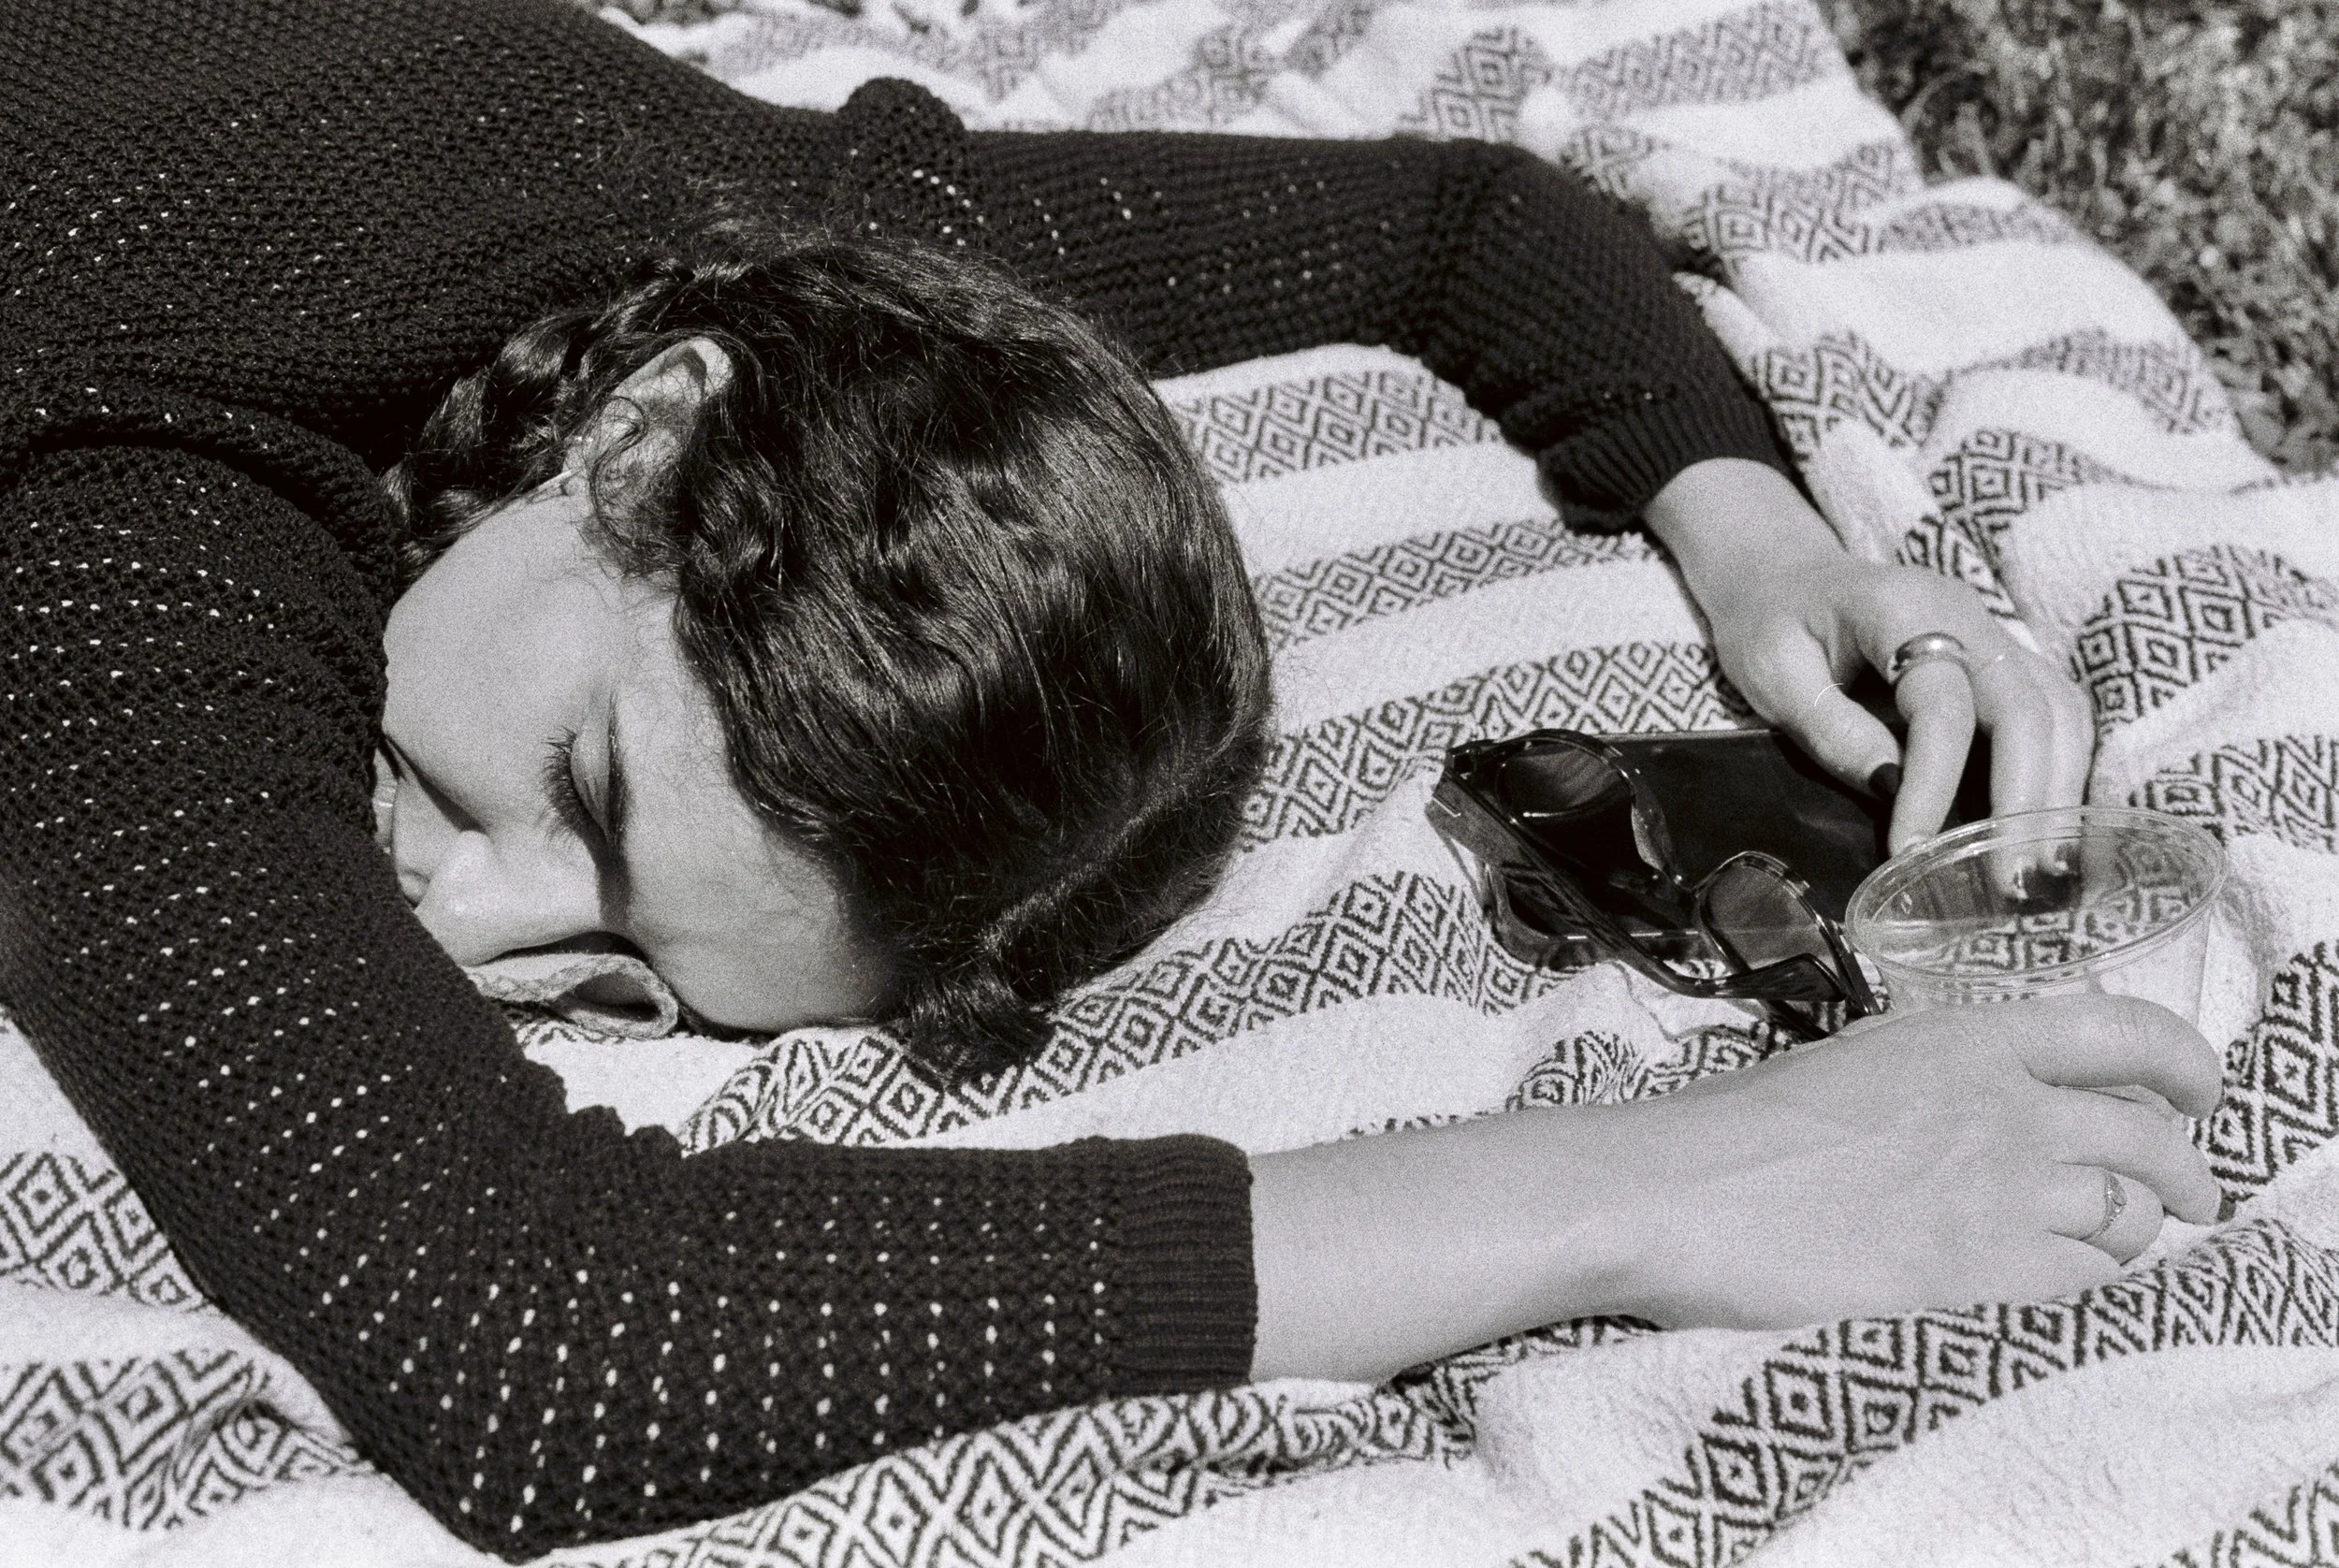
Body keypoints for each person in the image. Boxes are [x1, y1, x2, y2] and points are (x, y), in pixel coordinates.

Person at [0, 0, 2216, 1559]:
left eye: (625, 971)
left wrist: (1764, 545)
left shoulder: (801, 251)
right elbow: (538, 1327)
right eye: (580, 791)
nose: (459, 918)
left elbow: (1465, 228)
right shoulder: (134, 523)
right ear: (649, 440)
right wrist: (1662, 1182)